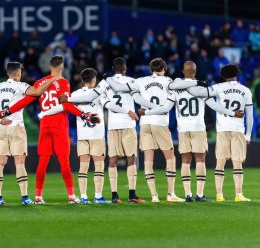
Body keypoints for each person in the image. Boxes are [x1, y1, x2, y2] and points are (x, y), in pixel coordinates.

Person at [138, 61, 244, 202]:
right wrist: (232, 113)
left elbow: (166, 107)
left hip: (182, 129)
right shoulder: (201, 87)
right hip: (198, 127)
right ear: (195, 72)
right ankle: (199, 195)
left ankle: (188, 194)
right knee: (200, 160)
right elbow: (214, 105)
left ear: (182, 71)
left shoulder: (176, 88)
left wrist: (147, 111)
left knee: (185, 161)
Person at [1, 56, 99, 204]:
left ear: (49, 67)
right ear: (62, 67)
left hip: (45, 126)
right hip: (59, 125)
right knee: (64, 162)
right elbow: (65, 104)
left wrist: (8, 111)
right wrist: (83, 114)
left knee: (43, 162)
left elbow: (26, 100)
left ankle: (38, 196)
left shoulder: (40, 83)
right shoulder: (64, 82)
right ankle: (71, 195)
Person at [106, 58, 207, 202]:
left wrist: (107, 78)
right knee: (170, 157)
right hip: (160, 122)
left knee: (148, 159)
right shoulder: (168, 81)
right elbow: (182, 84)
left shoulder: (140, 81)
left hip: (145, 124)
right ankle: (170, 194)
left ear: (150, 69)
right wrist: (198, 82)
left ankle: (154, 196)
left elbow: (120, 88)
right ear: (164, 69)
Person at [0, 61, 62, 205]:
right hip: (16, 127)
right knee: (19, 162)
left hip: (1, 128)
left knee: (0, 163)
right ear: (18, 73)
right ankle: (25, 197)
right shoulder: (20, 86)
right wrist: (52, 79)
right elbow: (37, 92)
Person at [60, 57, 158, 203]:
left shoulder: (104, 83)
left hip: (112, 126)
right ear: (125, 69)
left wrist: (67, 99)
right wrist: (152, 107)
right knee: (132, 158)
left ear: (113, 69)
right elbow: (138, 99)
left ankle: (114, 195)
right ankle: (131, 195)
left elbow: (89, 97)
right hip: (128, 124)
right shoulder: (132, 81)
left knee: (113, 159)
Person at [39, 68, 138, 203]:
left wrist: (44, 113)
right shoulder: (98, 93)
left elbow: (63, 107)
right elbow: (110, 105)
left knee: (83, 167)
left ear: (82, 80)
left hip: (82, 136)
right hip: (97, 135)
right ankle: (98, 196)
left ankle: (84, 197)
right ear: (93, 80)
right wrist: (127, 111)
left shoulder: (74, 94)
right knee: (98, 166)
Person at [186, 64, 254, 202]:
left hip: (222, 129)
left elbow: (199, 93)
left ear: (223, 75)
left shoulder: (218, 87)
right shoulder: (245, 90)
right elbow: (250, 115)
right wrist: (248, 134)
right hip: (238, 129)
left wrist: (190, 87)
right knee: (237, 163)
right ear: (237, 74)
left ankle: (219, 195)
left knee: (220, 163)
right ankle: (239, 195)